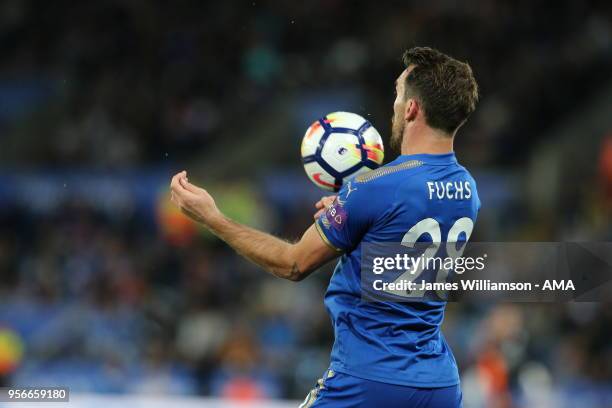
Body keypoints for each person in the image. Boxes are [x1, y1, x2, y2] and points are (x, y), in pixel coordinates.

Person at [170, 46, 480, 408]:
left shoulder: (375, 188)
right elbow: (401, 236)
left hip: (369, 381)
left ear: (412, 108)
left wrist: (212, 218)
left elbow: (292, 263)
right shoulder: (467, 189)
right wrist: (356, 218)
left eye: (398, 94)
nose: (394, 104)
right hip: (439, 385)